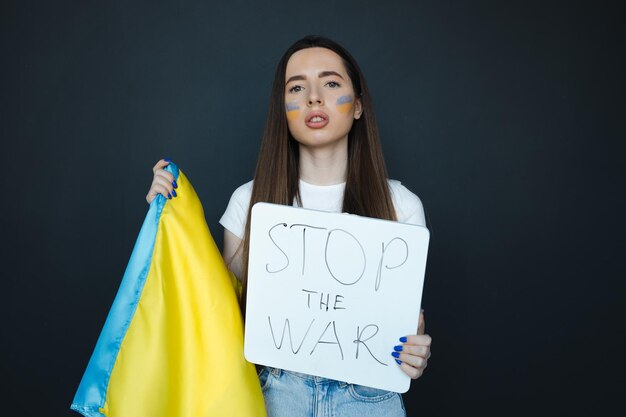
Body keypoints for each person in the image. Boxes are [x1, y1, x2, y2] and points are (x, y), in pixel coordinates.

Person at [145, 35, 431, 417]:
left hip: (369, 399)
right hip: (274, 395)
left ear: (358, 106)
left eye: (331, 83)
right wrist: (165, 218)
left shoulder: (402, 206)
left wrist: (415, 352)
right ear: (283, 108)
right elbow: (218, 310)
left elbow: (408, 325)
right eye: (297, 87)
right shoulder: (247, 202)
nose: (314, 98)